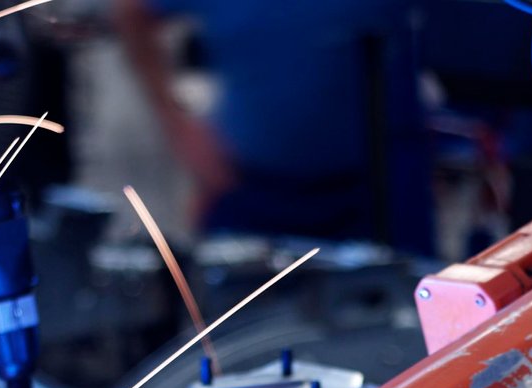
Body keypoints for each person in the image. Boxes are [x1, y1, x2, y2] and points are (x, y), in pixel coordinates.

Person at [112, 0, 428, 246]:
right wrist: (180, 128)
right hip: (250, 192)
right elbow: (133, 14)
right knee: (242, 324)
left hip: (377, 196)